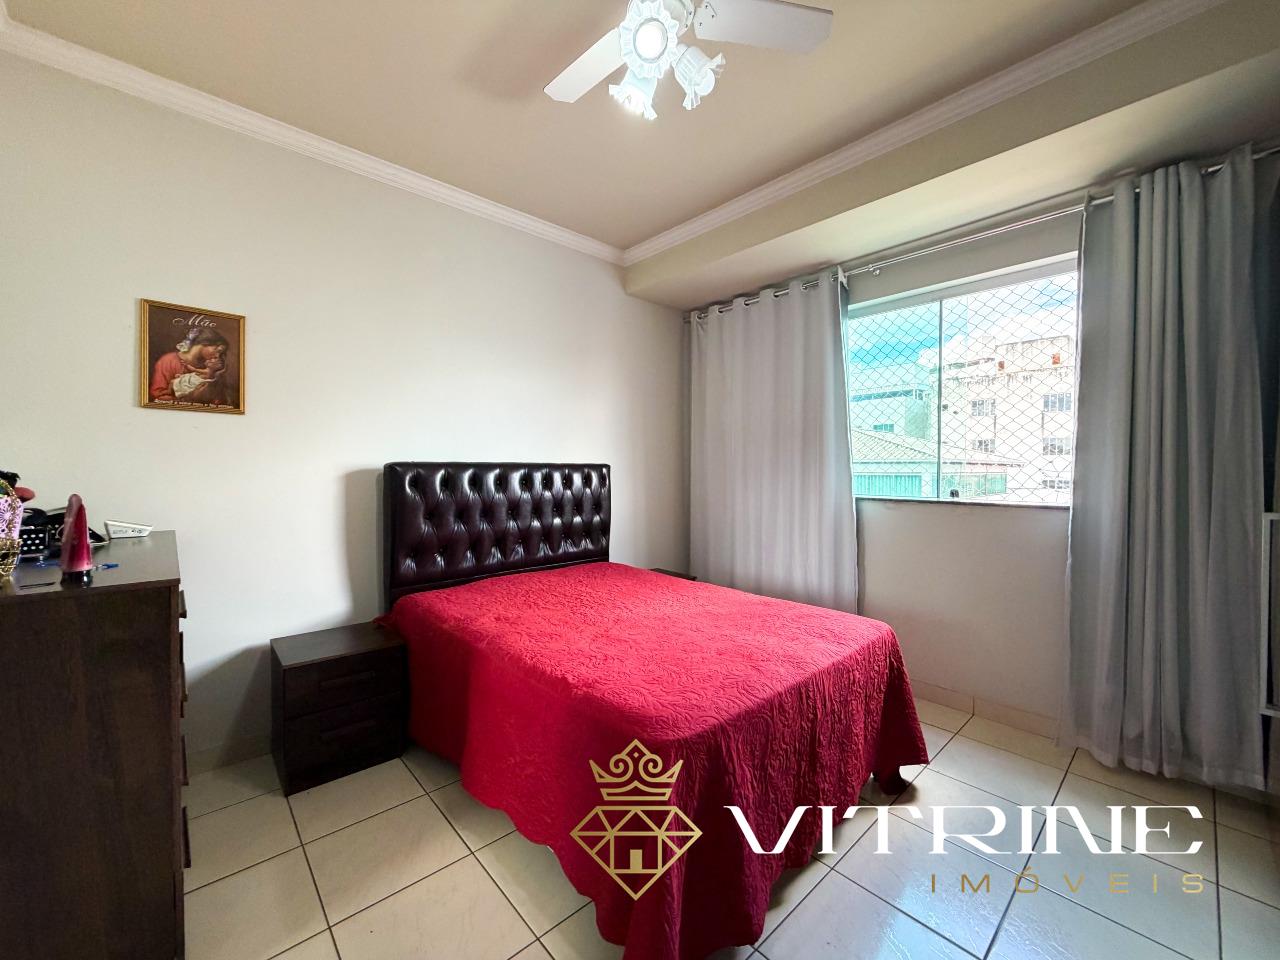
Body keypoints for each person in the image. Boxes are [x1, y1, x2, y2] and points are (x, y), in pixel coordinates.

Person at [150, 328, 231, 406]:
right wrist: (189, 399)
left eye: (221, 354)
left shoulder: (211, 366)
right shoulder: (168, 361)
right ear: (205, 343)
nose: (217, 356)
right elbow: (157, 396)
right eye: (217, 351)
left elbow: (220, 401)